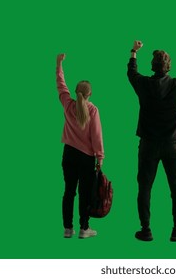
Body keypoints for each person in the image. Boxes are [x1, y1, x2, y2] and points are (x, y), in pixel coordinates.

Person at [127, 40, 176, 242]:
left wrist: (134, 52)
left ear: (152, 66)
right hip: (173, 145)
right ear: (168, 67)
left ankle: (146, 229)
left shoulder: (144, 85)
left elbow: (131, 73)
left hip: (148, 145)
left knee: (144, 188)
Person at [56, 53, 104, 239]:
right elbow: (96, 136)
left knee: (69, 191)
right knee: (85, 193)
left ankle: (68, 229)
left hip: (68, 154)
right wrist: (100, 157)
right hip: (86, 158)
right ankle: (84, 229)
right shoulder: (93, 110)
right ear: (90, 94)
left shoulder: (68, 105)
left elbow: (61, 85)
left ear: (76, 92)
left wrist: (59, 64)